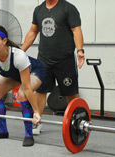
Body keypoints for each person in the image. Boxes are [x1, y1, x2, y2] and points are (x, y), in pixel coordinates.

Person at [21, 0, 85, 134]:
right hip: (44, 60)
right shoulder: (38, 10)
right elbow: (33, 32)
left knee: (71, 93)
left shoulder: (68, 8)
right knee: (40, 91)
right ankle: (37, 122)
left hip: (65, 60)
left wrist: (80, 50)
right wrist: (20, 51)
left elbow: (76, 30)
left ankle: (76, 122)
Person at [0, 25, 44, 147]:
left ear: (4, 41)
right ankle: (2, 131)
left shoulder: (18, 56)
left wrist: (36, 112)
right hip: (15, 75)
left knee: (22, 94)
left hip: (35, 70)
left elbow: (27, 87)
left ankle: (29, 134)